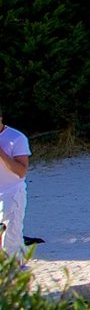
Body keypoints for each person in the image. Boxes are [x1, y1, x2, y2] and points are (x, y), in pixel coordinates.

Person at [0, 108, 28, 258]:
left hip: (11, 194)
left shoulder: (16, 138)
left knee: (10, 242)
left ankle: (15, 270)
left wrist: (1, 154)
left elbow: (21, 171)